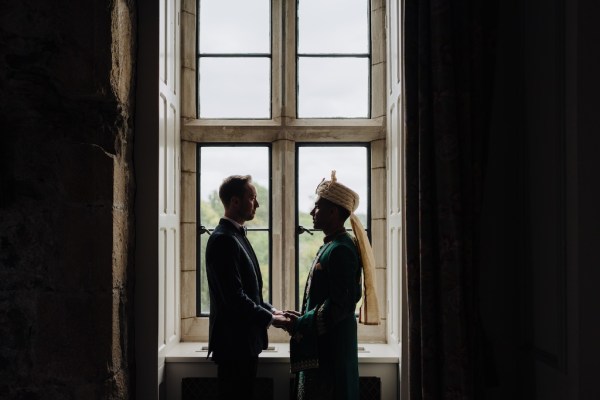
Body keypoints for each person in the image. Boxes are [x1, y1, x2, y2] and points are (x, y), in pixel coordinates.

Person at [278, 171, 380, 400]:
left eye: (317, 207)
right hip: (324, 343)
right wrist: (302, 316)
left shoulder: (341, 249)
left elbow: (341, 305)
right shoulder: (333, 244)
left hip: (331, 349)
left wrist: (301, 322)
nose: (311, 212)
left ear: (333, 212)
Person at [205, 175, 289, 400]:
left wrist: (272, 310)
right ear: (234, 202)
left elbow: (251, 292)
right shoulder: (224, 239)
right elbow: (234, 298)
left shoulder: (236, 235)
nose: (257, 204)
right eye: (252, 198)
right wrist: (271, 320)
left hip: (243, 345)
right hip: (234, 347)